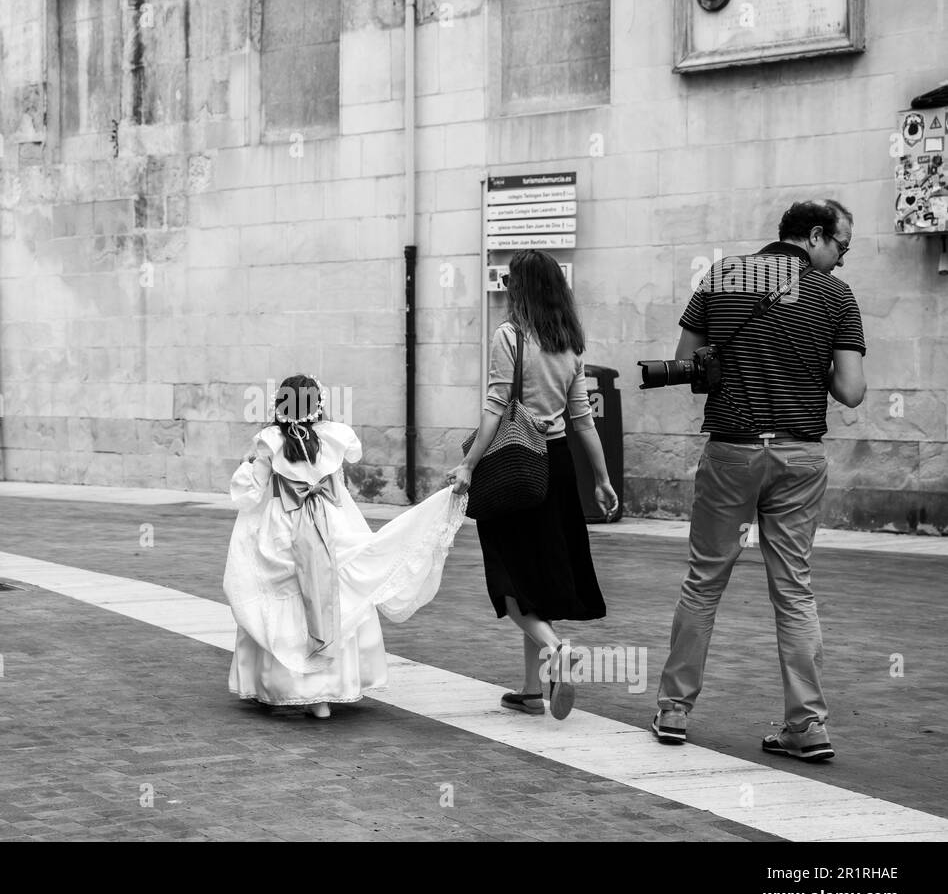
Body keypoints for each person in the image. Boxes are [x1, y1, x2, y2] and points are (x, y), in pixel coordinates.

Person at [651, 199, 866, 762]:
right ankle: (807, 726)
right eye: (841, 248)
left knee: (703, 582)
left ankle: (674, 710)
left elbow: (687, 364)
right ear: (815, 236)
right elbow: (851, 391)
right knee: (793, 587)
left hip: (732, 451)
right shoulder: (835, 295)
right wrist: (803, 358)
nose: (841, 261)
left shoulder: (721, 274)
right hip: (797, 457)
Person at [225, 374, 466, 718]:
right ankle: (322, 695)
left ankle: (280, 685)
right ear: (317, 406)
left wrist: (248, 461)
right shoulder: (332, 439)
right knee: (331, 591)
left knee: (286, 594)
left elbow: (249, 494)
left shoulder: (268, 442)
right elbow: (339, 493)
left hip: (283, 525)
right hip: (327, 522)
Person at [446, 250, 617, 721]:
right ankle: (528, 689)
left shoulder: (510, 335)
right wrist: (601, 480)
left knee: (508, 580)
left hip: (516, 467)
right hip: (558, 467)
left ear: (521, 288)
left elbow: (496, 407)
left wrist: (467, 466)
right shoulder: (569, 341)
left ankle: (557, 650)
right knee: (535, 579)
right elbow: (583, 421)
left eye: (509, 280)